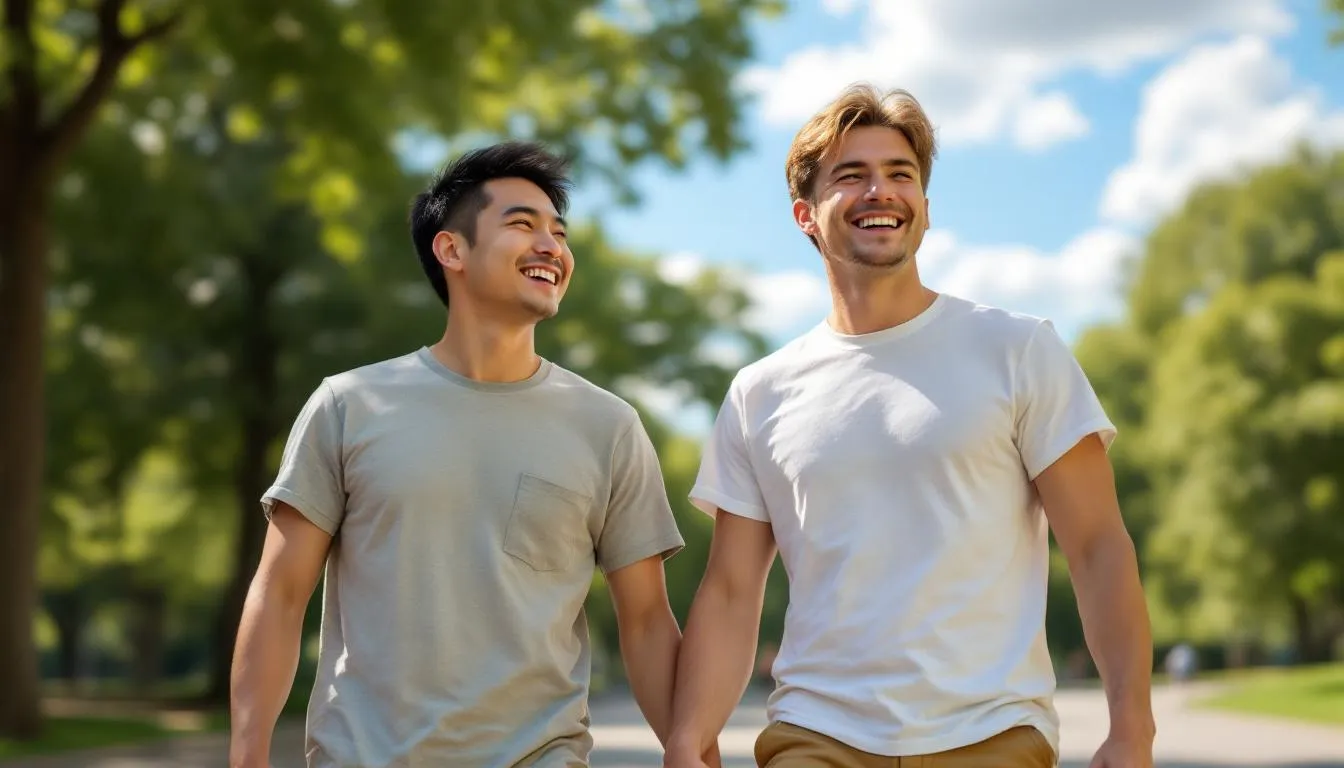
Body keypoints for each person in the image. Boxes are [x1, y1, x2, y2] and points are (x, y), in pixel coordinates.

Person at [663, 84, 1156, 768]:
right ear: (806, 215)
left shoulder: (1018, 350)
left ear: (924, 208)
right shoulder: (760, 393)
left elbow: (1099, 545)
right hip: (815, 735)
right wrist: (689, 738)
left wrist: (1132, 728)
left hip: (991, 733)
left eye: (901, 175)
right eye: (852, 176)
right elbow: (730, 589)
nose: (881, 192)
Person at [228, 141, 690, 768]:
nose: (552, 247)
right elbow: (280, 595)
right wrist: (248, 754)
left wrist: (693, 752)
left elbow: (647, 623)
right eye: (523, 224)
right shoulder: (349, 406)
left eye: (559, 231)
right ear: (452, 250)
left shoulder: (607, 426)